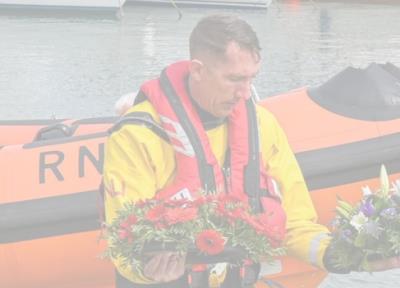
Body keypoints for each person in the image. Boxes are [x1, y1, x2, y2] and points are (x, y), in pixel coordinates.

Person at [103, 14, 399, 288]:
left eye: (251, 78)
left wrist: (340, 254)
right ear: (197, 70)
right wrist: (148, 269)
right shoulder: (137, 136)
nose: (245, 93)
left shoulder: (260, 123)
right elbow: (123, 243)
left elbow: (295, 221)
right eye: (234, 79)